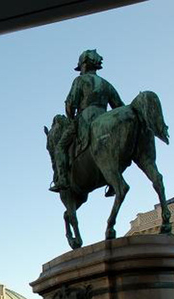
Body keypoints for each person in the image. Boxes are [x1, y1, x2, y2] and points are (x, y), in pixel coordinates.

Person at [50, 49, 124, 194]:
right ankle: (114, 178)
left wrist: (71, 118)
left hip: (85, 118)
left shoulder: (80, 80)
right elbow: (119, 106)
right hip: (104, 116)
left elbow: (71, 104)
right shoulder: (106, 84)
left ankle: (62, 179)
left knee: (59, 147)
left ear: (83, 65)